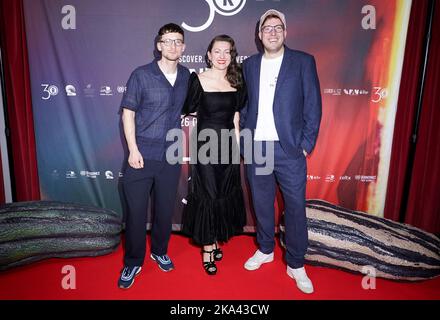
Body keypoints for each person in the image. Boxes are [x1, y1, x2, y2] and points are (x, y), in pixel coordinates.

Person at [240, 9, 322, 294]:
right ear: (259, 34)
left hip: (289, 150)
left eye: (278, 27)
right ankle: (265, 249)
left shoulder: (302, 62)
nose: (272, 32)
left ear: (285, 32)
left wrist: (305, 144)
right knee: (262, 203)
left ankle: (296, 263)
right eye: (267, 28)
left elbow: (313, 105)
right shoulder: (250, 65)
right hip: (257, 148)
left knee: (295, 207)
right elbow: (247, 103)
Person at [118, 23, 190, 289]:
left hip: (171, 153)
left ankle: (160, 250)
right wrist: (133, 150)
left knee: (164, 210)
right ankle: (133, 262)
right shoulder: (141, 75)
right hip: (142, 153)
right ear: (159, 45)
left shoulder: (186, 76)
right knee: (136, 213)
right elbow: (128, 114)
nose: (173, 46)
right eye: (168, 41)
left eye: (178, 41)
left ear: (183, 47)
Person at [181, 35, 247, 275]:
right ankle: (208, 248)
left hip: (229, 145)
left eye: (227, 52)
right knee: (208, 193)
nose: (221, 56)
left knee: (224, 192)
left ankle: (217, 237)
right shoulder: (197, 79)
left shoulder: (237, 81)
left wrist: (239, 147)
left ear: (232, 55)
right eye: (217, 51)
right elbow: (187, 108)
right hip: (205, 146)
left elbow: (237, 118)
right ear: (208, 55)